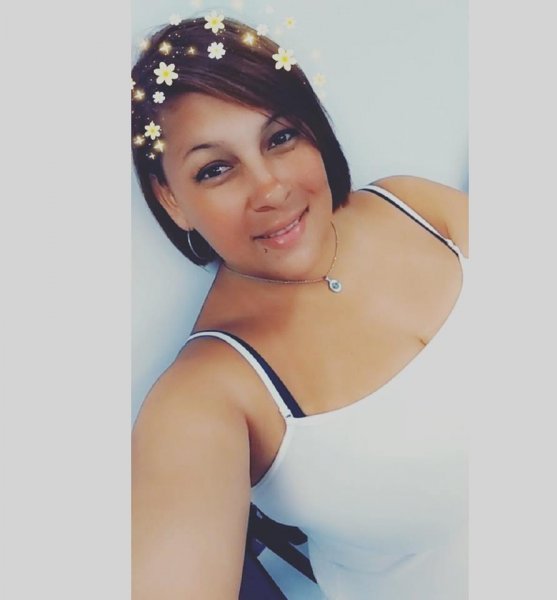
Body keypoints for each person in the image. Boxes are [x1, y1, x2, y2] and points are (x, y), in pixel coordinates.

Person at [131, 15, 468, 600]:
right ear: (171, 199)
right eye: (216, 169)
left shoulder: (411, 204)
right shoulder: (206, 396)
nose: (270, 189)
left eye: (280, 138)